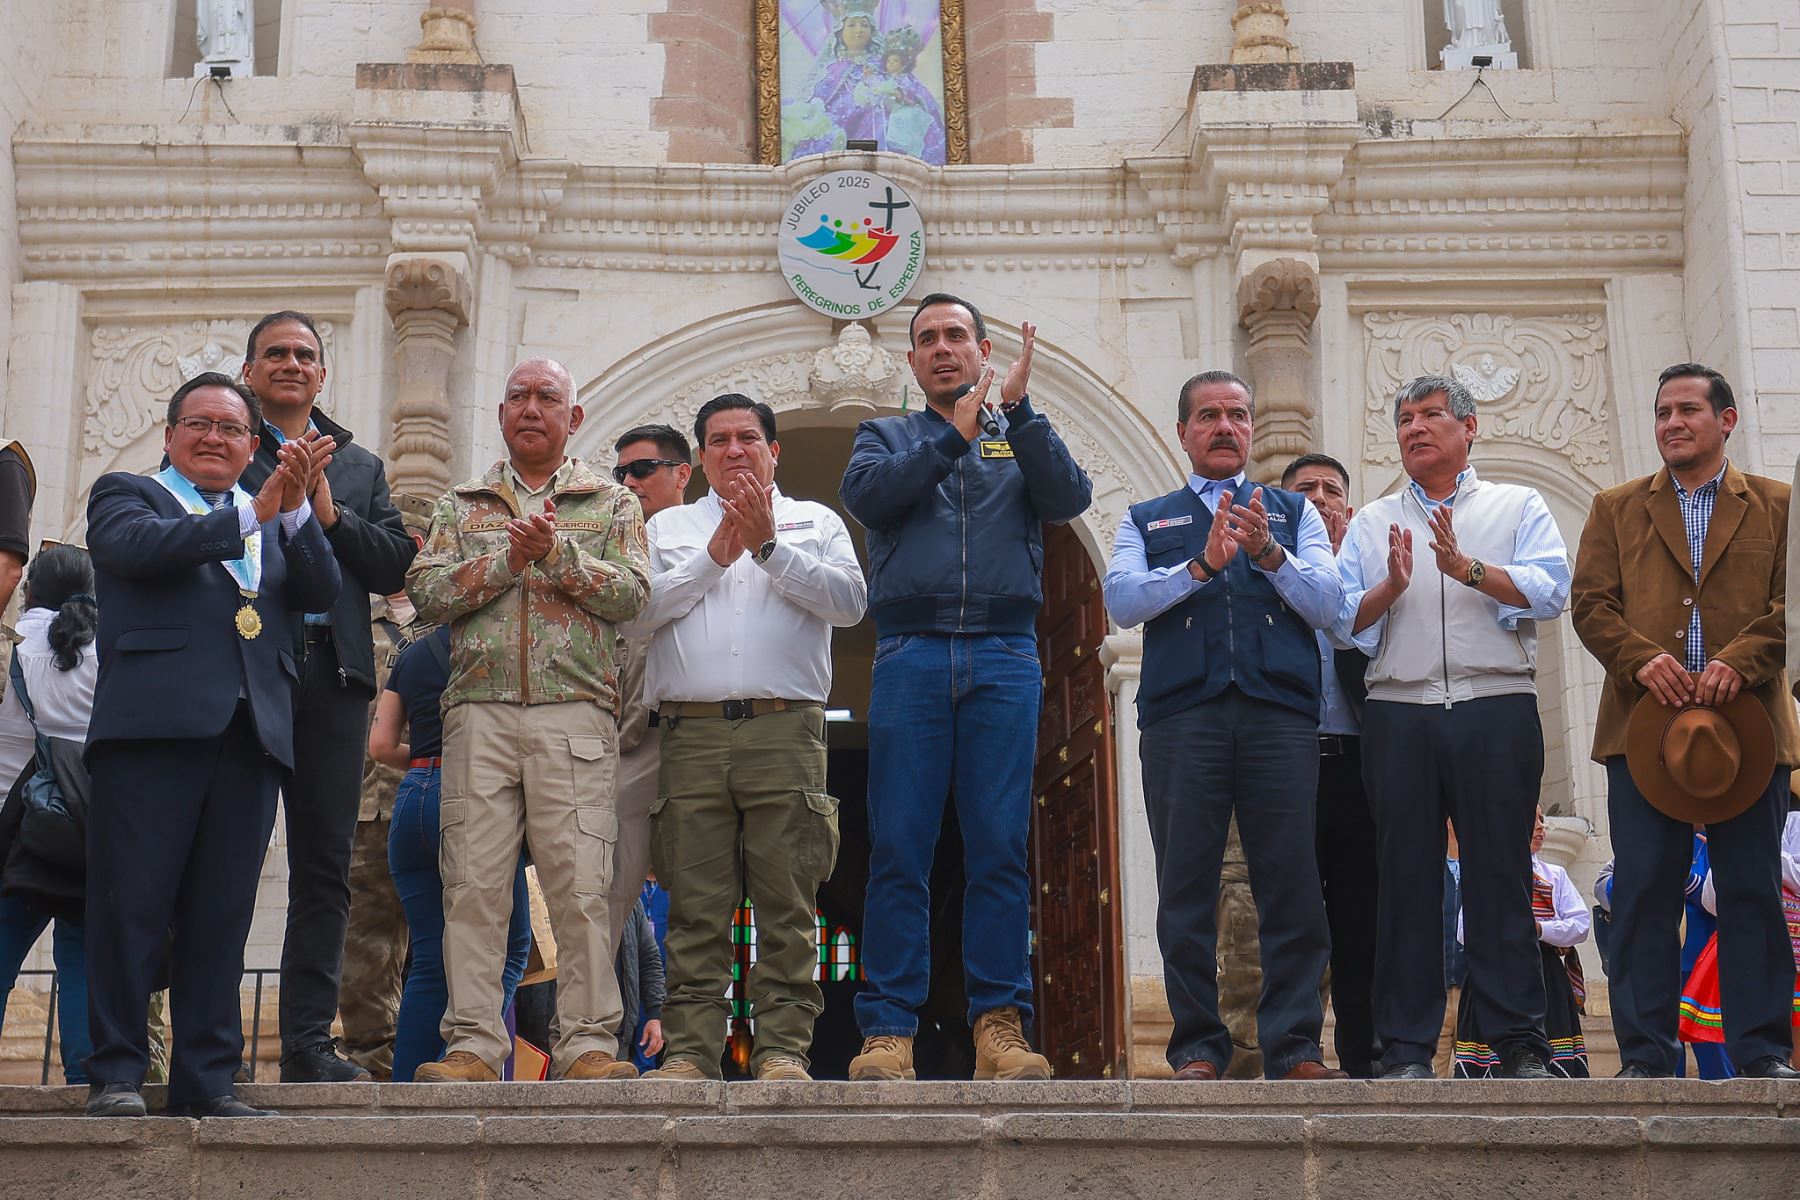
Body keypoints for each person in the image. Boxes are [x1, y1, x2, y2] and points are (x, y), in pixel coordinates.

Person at [840, 293, 1090, 1082]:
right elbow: (872, 498)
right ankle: (888, 1032)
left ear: (985, 350)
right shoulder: (884, 436)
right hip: (911, 653)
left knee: (998, 848)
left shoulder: (1020, 437)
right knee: (900, 850)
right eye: (927, 340)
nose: (943, 348)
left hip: (1005, 653)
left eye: (956, 336)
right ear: (911, 362)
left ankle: (999, 1029)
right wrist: (955, 436)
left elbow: (1071, 499)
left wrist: (1021, 416)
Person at [83, 372, 340, 1117]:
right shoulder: (129, 494)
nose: (214, 439)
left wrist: (293, 513)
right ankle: (119, 1072)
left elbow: (320, 591)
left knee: (219, 915)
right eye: (199, 424)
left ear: (253, 445)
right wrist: (253, 515)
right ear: (170, 436)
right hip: (151, 730)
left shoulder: (264, 512)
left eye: (231, 430)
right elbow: (134, 550)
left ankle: (206, 1079)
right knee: (131, 904)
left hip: (251, 733)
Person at [405, 357, 650, 1083]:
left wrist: (558, 556)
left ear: (573, 418)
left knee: (580, 886)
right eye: (518, 397)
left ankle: (587, 1046)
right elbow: (425, 592)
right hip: (478, 713)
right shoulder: (462, 504)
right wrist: (504, 564)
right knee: (475, 886)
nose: (531, 408)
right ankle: (475, 1047)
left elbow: (633, 594)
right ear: (503, 414)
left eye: (548, 397)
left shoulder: (611, 503)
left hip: (573, 715)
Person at [1102, 373, 1345, 1082]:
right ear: (1183, 433)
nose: (1225, 427)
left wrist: (1268, 553)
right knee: (1186, 888)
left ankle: (1295, 1045)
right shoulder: (1148, 518)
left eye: (1238, 415)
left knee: (1291, 885)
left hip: (1278, 719)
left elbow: (1329, 603)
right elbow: (1121, 599)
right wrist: (1202, 564)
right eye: (1208, 416)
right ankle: (1198, 1047)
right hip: (1184, 720)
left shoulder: (1294, 513)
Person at [1333, 373, 1571, 1081]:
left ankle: (1521, 1044)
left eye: (1431, 415)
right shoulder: (1375, 522)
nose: (1415, 428)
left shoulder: (1516, 505)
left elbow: (1552, 588)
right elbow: (1342, 619)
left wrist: (1469, 569)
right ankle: (1405, 1051)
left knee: (1499, 875)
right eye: (1405, 418)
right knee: (1405, 882)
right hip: (1399, 712)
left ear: (1469, 428)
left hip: (1493, 703)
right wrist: (1394, 587)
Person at [624, 394, 866, 1081]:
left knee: (787, 903)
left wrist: (768, 548)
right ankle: (692, 1054)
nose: (734, 449)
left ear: (774, 451)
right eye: (720, 439)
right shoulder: (668, 525)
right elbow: (634, 619)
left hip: (786, 730)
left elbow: (849, 606)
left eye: (749, 437)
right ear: (699, 456)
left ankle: (784, 1050)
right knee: (695, 906)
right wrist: (712, 557)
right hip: (690, 734)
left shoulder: (813, 521)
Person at [1570, 361, 1799, 1080]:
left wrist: (1744, 660)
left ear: (1726, 420)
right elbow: (1590, 605)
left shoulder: (1778, 504)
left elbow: (1792, 604)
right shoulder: (1615, 507)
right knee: (1642, 888)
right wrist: (1640, 660)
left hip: (1750, 731)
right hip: (1644, 731)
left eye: (1688, 410)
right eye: (1663, 411)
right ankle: (1646, 1055)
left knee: (1752, 889)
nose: (1672, 423)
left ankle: (1761, 1051)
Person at [236, 310, 417, 1083]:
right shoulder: (221, 446)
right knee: (227, 861)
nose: (290, 364)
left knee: (323, 868)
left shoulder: (360, 465)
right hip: (247, 675)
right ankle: (212, 1044)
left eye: (304, 354)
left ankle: (309, 1043)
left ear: (322, 373)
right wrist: (278, 490)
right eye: (274, 353)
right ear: (250, 372)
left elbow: (394, 564)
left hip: (337, 679)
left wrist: (331, 509)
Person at [367, 622, 530, 1082]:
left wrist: (424, 758)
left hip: (411, 801)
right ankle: (465, 1059)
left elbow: (379, 745)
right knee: (511, 944)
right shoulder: (498, 649)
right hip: (474, 802)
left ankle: (406, 1089)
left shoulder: (412, 655)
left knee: (429, 957)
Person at [1283, 451, 1380, 1077]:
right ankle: (1292, 1053)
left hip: (1362, 766)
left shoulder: (1375, 572)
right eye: (1305, 489)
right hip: (1287, 764)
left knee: (1363, 916)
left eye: (1331, 488)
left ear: (1347, 506)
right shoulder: (1266, 569)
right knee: (1290, 914)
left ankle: (1367, 1055)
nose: (1320, 497)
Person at [337, 493, 436, 1079]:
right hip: (368, 806)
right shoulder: (350, 615)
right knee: (366, 944)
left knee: (448, 938)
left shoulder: (452, 622)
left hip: (441, 797)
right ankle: (373, 1057)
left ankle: (438, 1053)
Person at [0, 545, 99, 1084]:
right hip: (87, 823)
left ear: (29, 588)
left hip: (17, 825)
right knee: (82, 951)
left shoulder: (10, 651)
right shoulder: (105, 655)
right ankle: (87, 1077)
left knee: (3, 944)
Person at [609, 424, 692, 953]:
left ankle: (694, 1035)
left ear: (682, 473)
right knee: (604, 895)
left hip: (698, 734)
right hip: (628, 742)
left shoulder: (713, 535)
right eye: (620, 473)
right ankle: (586, 1032)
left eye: (642, 470)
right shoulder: (608, 545)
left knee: (698, 898)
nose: (628, 482)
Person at [1452, 808, 1591, 1078]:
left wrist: (1539, 929)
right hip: (1493, 970)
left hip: (1544, 973)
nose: (1541, 827)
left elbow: (1580, 924)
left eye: (1542, 820)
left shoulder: (1555, 875)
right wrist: (1505, 932)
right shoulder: (1486, 875)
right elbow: (1463, 931)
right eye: (1533, 819)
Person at [1682, 794, 1800, 1068]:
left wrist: (1759, 852)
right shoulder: (1732, 833)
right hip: (1750, 946)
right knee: (1750, 1031)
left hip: (1792, 941)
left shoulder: (1794, 821)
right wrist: (1726, 862)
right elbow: (1713, 901)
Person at [616, 895, 666, 1074]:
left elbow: (649, 959)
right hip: (564, 1027)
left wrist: (656, 1012)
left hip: (619, 1029)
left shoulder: (631, 900)